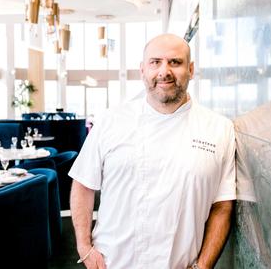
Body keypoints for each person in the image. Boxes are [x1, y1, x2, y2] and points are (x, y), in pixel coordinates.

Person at [69, 34, 236, 269]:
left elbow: (222, 206)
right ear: (142, 70)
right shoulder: (110, 121)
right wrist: (84, 247)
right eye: (155, 62)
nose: (164, 71)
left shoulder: (220, 129)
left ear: (191, 69)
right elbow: (84, 183)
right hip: (113, 263)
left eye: (175, 62)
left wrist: (204, 266)